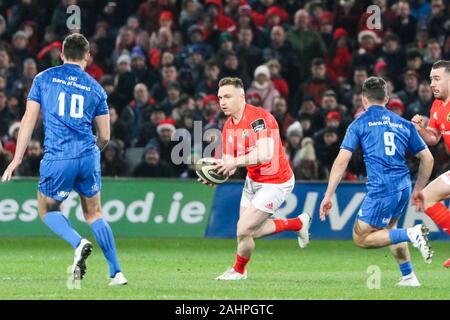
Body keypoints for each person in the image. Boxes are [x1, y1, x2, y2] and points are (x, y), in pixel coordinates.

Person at [1, 33, 127, 286]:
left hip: (58, 156)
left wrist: (16, 159)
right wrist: (91, 153)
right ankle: (117, 272)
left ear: (61, 54)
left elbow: (29, 120)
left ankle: (78, 243)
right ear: (88, 57)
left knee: (47, 209)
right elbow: (105, 135)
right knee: (94, 213)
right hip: (88, 154)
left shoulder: (43, 79)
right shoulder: (96, 88)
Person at [319, 77, 434, 287]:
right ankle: (409, 276)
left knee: (360, 237)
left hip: (382, 187)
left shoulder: (359, 124)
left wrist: (328, 195)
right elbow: (428, 158)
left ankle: (413, 233)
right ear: (387, 99)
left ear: (363, 100)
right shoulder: (403, 123)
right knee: (390, 230)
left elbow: (342, 160)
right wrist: (418, 189)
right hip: (404, 186)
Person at [198, 77, 311, 281]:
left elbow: (265, 153)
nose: (222, 102)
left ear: (241, 97)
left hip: (276, 181)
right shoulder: (228, 127)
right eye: (220, 97)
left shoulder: (259, 118)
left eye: (228, 97)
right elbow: (230, 163)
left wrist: (234, 163)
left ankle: (239, 269)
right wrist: (217, 173)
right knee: (245, 232)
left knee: (244, 228)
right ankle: (240, 271)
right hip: (253, 181)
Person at [411, 59, 450, 268]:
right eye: (430, 80)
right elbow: (434, 138)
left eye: (437, 79)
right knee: (425, 198)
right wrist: (421, 130)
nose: (432, 84)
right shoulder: (436, 105)